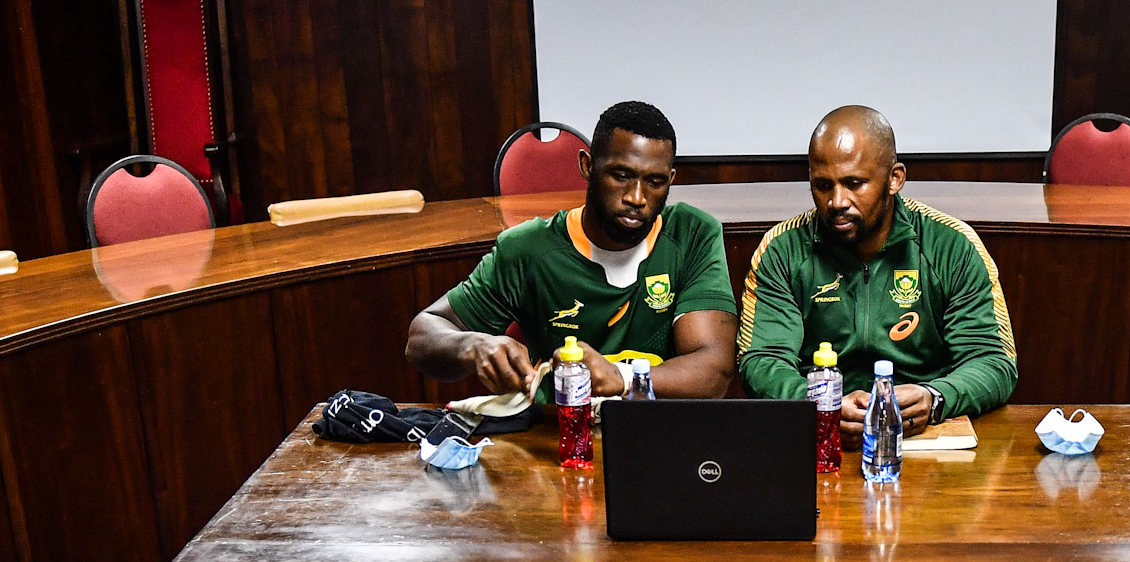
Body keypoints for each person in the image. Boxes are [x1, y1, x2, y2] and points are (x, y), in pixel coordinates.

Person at [407, 101, 737, 400]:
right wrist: (473, 346)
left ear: (671, 179)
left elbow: (714, 372)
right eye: (621, 176)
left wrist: (620, 378)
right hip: (557, 436)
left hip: (655, 434)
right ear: (587, 166)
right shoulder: (529, 248)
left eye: (655, 182)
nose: (637, 197)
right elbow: (423, 337)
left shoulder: (692, 234)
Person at [738, 105, 1017, 435]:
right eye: (823, 185)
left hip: (926, 430)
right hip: (821, 430)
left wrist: (937, 397)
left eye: (854, 183)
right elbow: (761, 361)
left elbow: (993, 361)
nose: (837, 201)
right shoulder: (782, 251)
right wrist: (818, 404)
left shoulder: (951, 245)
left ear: (895, 179)